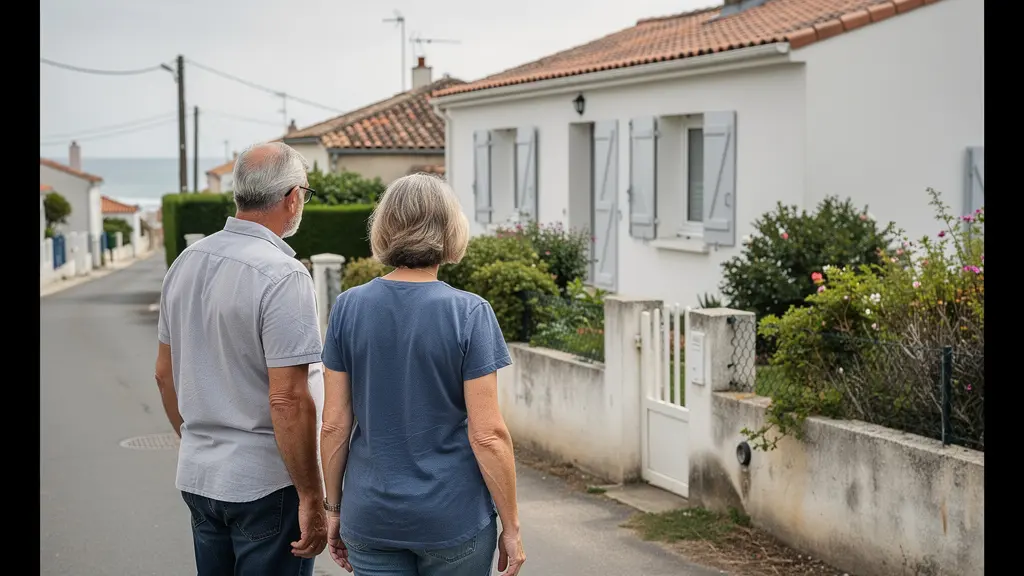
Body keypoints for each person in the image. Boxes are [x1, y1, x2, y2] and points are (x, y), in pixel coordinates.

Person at [319, 174, 527, 576]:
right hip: (452, 517)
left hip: (371, 515)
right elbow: (487, 434)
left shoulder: (347, 308)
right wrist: (512, 526)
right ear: (450, 230)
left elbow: (333, 426)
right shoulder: (469, 313)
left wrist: (333, 509)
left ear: (385, 228)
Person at [154, 142, 327, 575]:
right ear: (291, 198)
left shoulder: (184, 263)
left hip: (199, 475)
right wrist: (311, 495)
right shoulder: (283, 275)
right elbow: (288, 399)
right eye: (304, 192)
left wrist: (199, 441)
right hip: (265, 483)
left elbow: (163, 375)